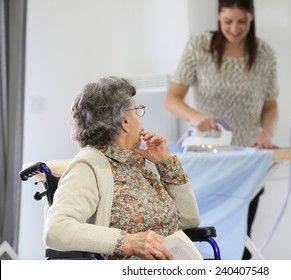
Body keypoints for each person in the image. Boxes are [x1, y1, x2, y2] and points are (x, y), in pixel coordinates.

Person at [165, 0, 279, 259]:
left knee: (241, 240)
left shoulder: (264, 53)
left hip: (246, 163)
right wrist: (195, 116)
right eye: (228, 21)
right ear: (218, 17)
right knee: (203, 238)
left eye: (242, 21)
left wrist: (266, 134)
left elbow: (271, 106)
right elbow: (172, 98)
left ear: (252, 18)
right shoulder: (199, 47)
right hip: (209, 161)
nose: (235, 28)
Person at [43, 76, 200, 260]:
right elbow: (56, 229)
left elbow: (189, 220)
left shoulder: (140, 164)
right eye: (137, 111)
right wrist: (128, 242)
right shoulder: (89, 166)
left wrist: (165, 163)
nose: (140, 120)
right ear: (125, 122)